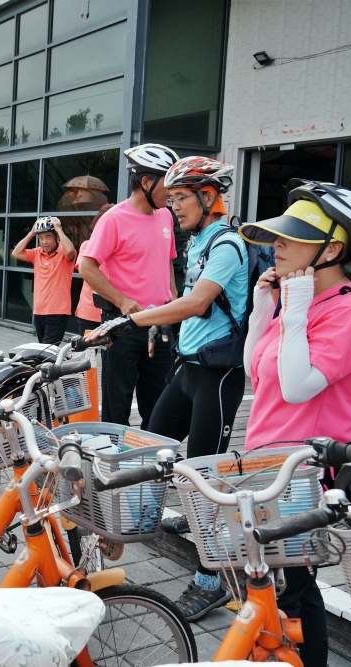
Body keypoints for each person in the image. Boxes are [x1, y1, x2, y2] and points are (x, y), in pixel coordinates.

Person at [85, 156, 249, 619]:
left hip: (218, 377)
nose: (172, 207)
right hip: (188, 372)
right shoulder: (199, 241)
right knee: (145, 449)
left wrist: (131, 318)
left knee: (201, 481)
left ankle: (211, 579)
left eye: (180, 198)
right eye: (170, 198)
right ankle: (123, 529)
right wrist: (157, 325)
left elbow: (196, 302)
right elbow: (183, 301)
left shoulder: (228, 244)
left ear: (208, 196)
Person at [235, 181, 351, 667]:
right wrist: (264, 312)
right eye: (276, 237)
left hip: (304, 476)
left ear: (333, 249)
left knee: (294, 594)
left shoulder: (349, 313)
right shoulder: (302, 302)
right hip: (267, 465)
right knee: (285, 592)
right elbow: (257, 372)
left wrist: (293, 309)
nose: (275, 246)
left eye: (290, 237)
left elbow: (299, 387)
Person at [80, 143, 180, 428]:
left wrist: (172, 292)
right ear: (146, 181)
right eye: (167, 184)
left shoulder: (165, 217)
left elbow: (168, 259)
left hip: (160, 324)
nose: (172, 193)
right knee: (117, 404)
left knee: (159, 403)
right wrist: (122, 300)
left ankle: (151, 463)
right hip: (122, 325)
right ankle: (113, 463)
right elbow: (87, 266)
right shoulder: (114, 218)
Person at [11, 216, 77, 344]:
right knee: (44, 349)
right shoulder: (37, 253)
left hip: (58, 311)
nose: (44, 242)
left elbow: (71, 250)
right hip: (39, 310)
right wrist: (32, 233)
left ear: (56, 238)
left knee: (47, 349)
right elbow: (16, 252)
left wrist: (58, 229)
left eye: (48, 237)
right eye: (41, 238)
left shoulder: (64, 254)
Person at [75, 203, 114, 333]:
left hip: (114, 312)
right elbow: (84, 269)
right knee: (87, 353)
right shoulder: (87, 245)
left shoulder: (122, 249)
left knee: (109, 353)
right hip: (88, 312)